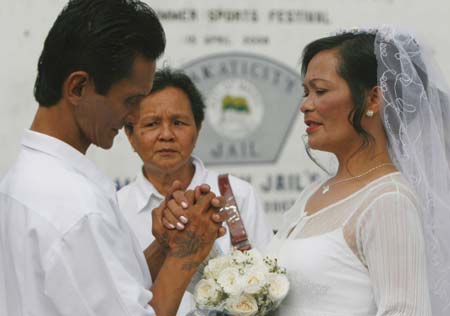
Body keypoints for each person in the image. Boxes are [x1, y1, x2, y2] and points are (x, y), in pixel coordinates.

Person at [0, 1, 226, 316]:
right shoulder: (74, 205)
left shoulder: (22, 181)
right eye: (131, 100)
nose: (134, 117)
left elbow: (109, 292)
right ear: (78, 87)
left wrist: (164, 247)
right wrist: (188, 251)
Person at [265, 27, 450, 315]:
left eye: (320, 91)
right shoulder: (315, 192)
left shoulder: (389, 200)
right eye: (306, 92)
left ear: (374, 99)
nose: (305, 105)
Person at [118, 67, 273, 315]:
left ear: (198, 129)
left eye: (179, 123)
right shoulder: (116, 208)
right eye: (152, 124)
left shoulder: (236, 194)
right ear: (130, 134)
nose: (166, 135)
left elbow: (269, 285)